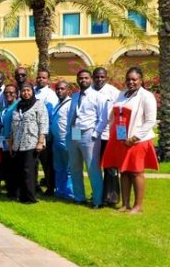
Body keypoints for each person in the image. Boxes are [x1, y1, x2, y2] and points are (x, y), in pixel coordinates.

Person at [101, 67, 159, 214]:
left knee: (136, 172)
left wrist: (134, 138)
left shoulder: (146, 96)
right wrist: (121, 137)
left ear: (141, 80)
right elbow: (118, 115)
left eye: (134, 79)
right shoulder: (122, 94)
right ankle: (125, 204)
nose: (131, 82)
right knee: (124, 171)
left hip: (138, 140)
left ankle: (137, 206)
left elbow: (150, 121)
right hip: (122, 140)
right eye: (128, 79)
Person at [67, 70, 107, 207]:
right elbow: (72, 115)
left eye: (86, 78)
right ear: (77, 80)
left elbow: (103, 118)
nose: (83, 80)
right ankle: (79, 197)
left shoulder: (98, 97)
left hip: (89, 134)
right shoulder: (75, 96)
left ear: (90, 79)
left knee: (92, 168)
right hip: (75, 132)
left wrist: (96, 134)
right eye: (80, 78)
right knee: (75, 167)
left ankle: (97, 201)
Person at [9, 83, 48, 204]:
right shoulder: (18, 106)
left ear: (32, 92)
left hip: (32, 142)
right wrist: (11, 144)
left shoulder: (38, 105)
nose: (26, 93)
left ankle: (30, 198)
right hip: (18, 143)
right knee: (20, 170)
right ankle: (22, 196)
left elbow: (43, 124)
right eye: (23, 91)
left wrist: (40, 142)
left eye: (28, 90)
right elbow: (13, 126)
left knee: (28, 171)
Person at [89, 67, 121, 208]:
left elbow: (121, 115)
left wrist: (121, 136)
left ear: (106, 77)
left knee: (110, 168)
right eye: (96, 77)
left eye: (102, 77)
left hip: (109, 135)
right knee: (94, 167)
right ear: (92, 77)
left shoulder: (114, 92)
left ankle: (111, 197)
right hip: (92, 137)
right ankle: (97, 195)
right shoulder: (87, 92)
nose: (99, 79)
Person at [50, 81, 74, 200]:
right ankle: (60, 191)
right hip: (56, 141)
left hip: (67, 141)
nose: (59, 91)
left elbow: (76, 123)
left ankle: (70, 193)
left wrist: (75, 141)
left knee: (69, 169)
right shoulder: (57, 104)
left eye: (62, 89)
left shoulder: (71, 104)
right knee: (59, 168)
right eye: (57, 89)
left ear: (68, 90)